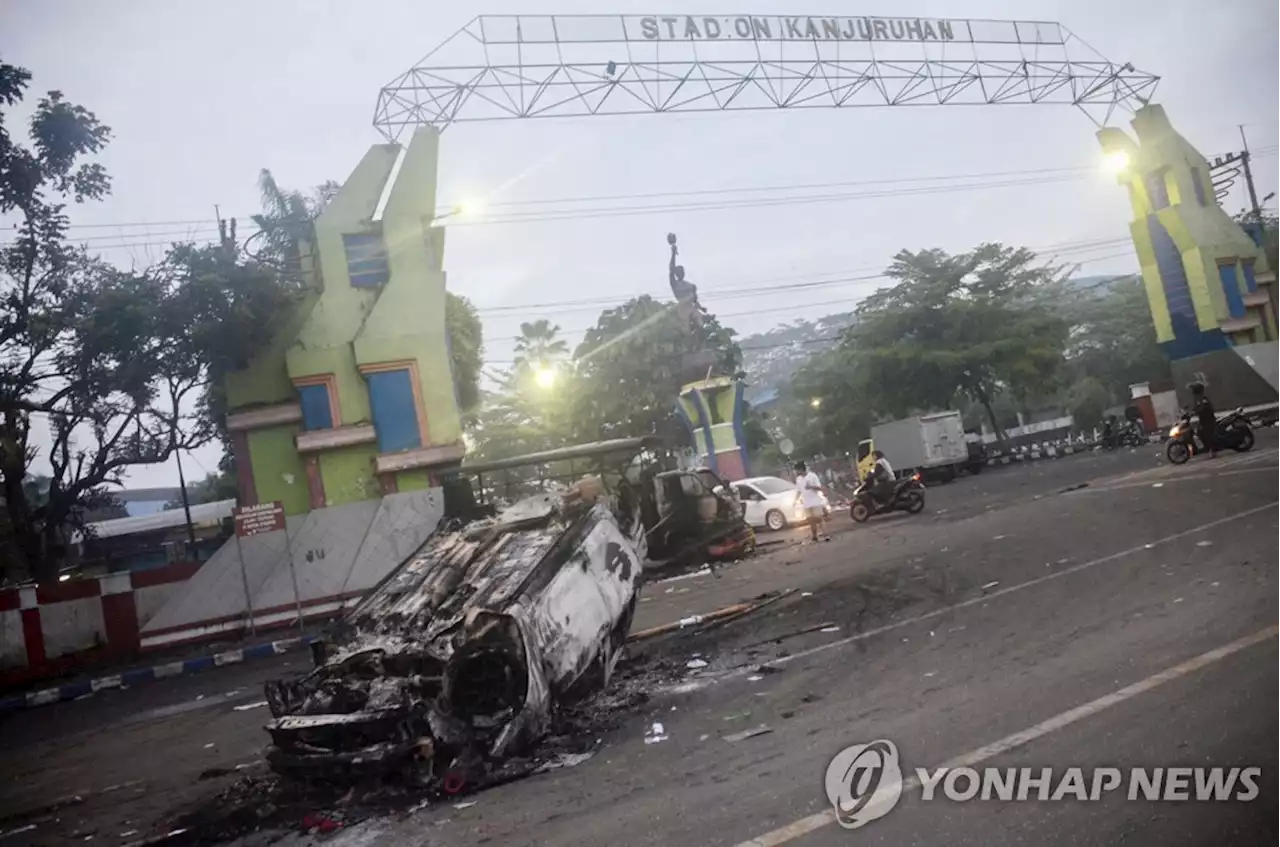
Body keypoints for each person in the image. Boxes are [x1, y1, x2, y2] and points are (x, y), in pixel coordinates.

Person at [794, 461, 829, 542]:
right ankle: (814, 536)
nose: (795, 472)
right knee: (810, 520)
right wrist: (795, 500)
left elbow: (819, 487)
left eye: (796, 470)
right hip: (806, 503)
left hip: (815, 502)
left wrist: (810, 487)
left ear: (800, 469)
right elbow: (799, 491)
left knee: (819, 518)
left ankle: (825, 534)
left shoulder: (812, 476)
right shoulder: (798, 479)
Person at [1190, 382, 1217, 458]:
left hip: (1208, 419)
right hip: (1203, 419)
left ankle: (1212, 449)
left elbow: (1204, 408)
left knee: (1205, 433)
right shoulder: (1198, 398)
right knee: (1199, 432)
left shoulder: (1202, 399)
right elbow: (1196, 408)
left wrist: (1197, 411)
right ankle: (1208, 448)